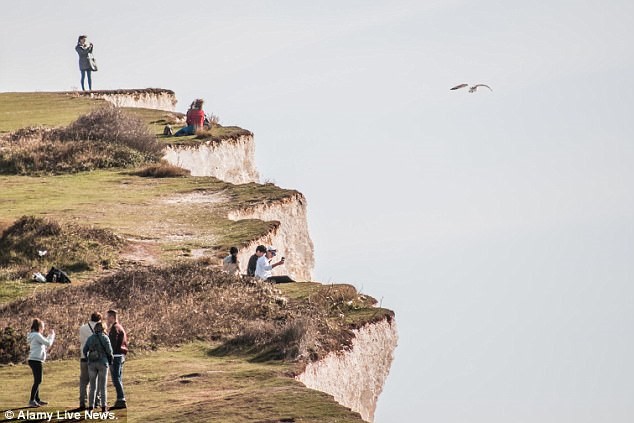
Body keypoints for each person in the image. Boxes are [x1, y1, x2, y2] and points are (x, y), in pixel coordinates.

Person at [83, 322, 113, 412]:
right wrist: (110, 360)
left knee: (92, 387)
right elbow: (109, 351)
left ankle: (90, 407)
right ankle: (104, 407)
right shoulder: (105, 338)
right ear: (103, 329)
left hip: (92, 364)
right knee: (103, 387)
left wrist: (88, 359)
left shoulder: (90, 338)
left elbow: (85, 350)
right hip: (103, 363)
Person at [27, 318, 55, 408]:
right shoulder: (36, 335)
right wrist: (52, 335)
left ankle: (37, 399)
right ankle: (32, 400)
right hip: (36, 360)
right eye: (42, 326)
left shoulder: (34, 335)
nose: (43, 328)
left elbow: (43, 343)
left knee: (37, 380)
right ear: (39, 326)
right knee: (38, 380)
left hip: (34, 359)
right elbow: (48, 343)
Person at [79, 312, 102, 410]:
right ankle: (96, 401)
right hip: (96, 358)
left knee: (84, 381)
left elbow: (81, 341)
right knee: (96, 380)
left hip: (84, 357)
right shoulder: (100, 328)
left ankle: (82, 402)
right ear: (99, 319)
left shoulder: (82, 328)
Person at [107, 309, 128, 409]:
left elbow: (112, 343)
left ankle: (121, 399)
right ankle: (120, 398)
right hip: (121, 355)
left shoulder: (114, 328)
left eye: (108, 317)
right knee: (118, 377)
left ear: (112, 317)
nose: (107, 319)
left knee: (116, 378)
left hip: (115, 356)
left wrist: (109, 353)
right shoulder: (120, 327)